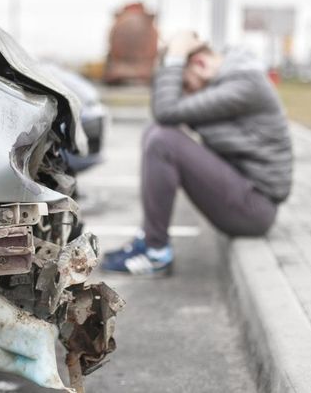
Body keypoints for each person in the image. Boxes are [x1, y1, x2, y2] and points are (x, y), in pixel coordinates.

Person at [100, 31, 293, 276]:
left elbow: (167, 109)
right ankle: (149, 238)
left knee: (163, 140)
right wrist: (175, 63)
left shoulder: (245, 84)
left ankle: (155, 253)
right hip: (244, 193)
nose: (186, 96)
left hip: (255, 208)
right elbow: (165, 113)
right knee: (157, 131)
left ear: (200, 64)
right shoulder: (234, 79)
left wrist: (175, 56)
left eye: (187, 86)